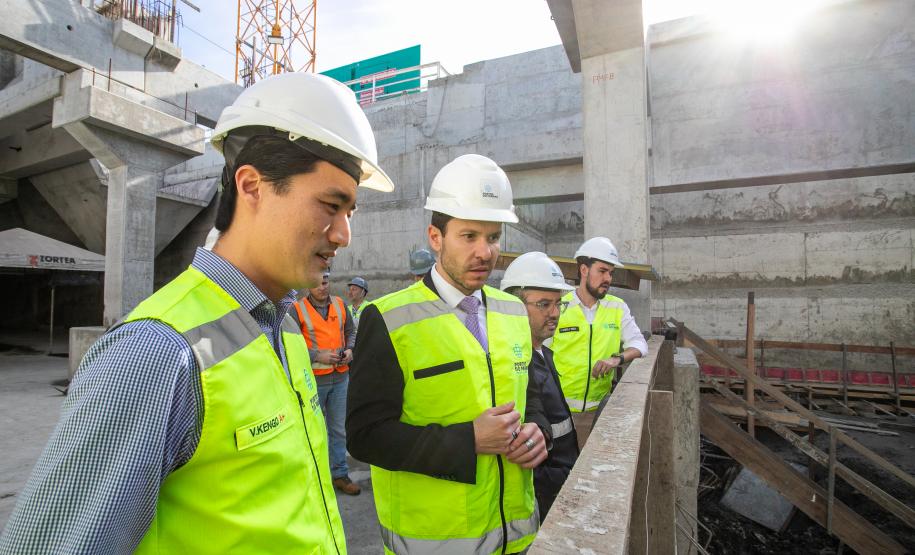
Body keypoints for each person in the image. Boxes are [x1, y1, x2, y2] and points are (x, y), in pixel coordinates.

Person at [0, 72, 394, 553]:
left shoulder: (284, 327)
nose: (343, 235)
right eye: (331, 205)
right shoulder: (157, 355)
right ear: (252, 186)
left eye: (350, 212)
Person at [347, 154, 548, 554]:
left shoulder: (511, 310)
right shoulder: (388, 319)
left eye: (493, 238)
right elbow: (365, 437)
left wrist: (537, 430)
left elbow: (530, 394)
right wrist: (467, 440)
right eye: (469, 236)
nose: (485, 252)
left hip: (518, 538)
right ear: (435, 238)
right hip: (435, 545)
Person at [500, 252, 579, 522]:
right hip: (543, 499)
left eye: (559, 303)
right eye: (544, 304)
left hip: (561, 486)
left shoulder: (543, 354)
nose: (555, 313)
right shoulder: (514, 366)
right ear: (514, 305)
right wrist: (553, 483)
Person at [550, 237, 648, 448]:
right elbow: (540, 354)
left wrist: (617, 359)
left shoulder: (617, 307)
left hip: (598, 412)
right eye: (602, 271)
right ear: (584, 270)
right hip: (559, 411)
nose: (608, 278)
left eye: (610, 273)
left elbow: (640, 344)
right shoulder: (560, 306)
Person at [294, 272, 360, 495]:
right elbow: (290, 344)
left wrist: (350, 349)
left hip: (341, 377)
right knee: (311, 430)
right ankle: (313, 479)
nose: (322, 287)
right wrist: (316, 356)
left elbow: (350, 332)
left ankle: (340, 475)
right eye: (317, 283)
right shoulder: (297, 310)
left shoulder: (341, 305)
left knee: (339, 430)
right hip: (313, 380)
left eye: (325, 282)